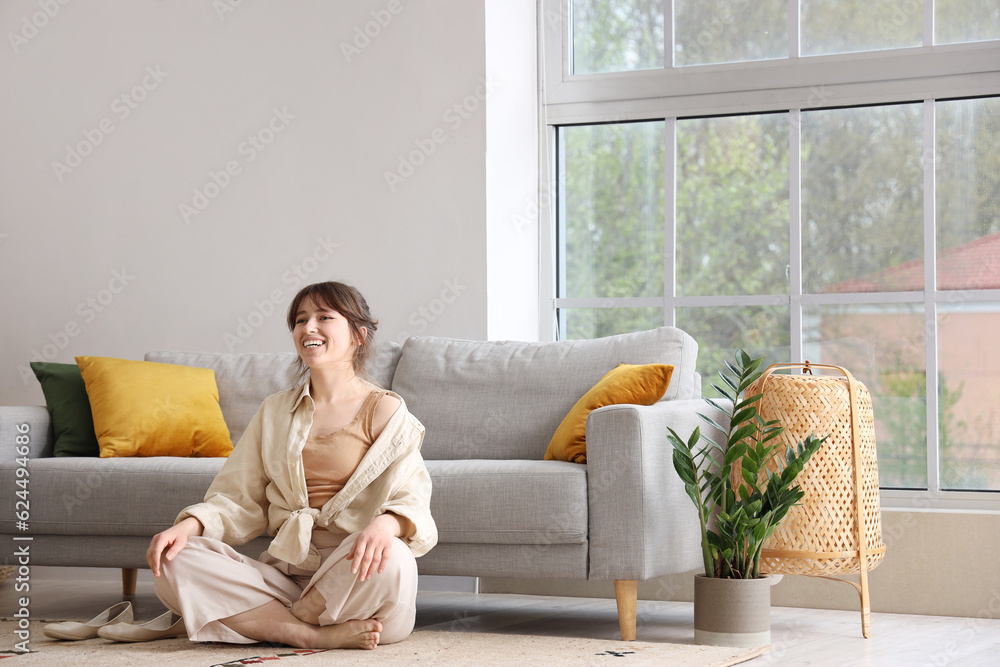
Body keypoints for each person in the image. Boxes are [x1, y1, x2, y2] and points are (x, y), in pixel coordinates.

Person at [146, 281, 437, 650]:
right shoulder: (274, 411)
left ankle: (267, 620)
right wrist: (190, 526)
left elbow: (412, 495)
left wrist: (385, 524)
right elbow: (237, 496)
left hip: (355, 576)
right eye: (300, 320)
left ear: (358, 335)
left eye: (324, 317)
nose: (308, 328)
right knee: (173, 561)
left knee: (394, 558)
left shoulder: (386, 410)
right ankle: (302, 632)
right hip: (285, 578)